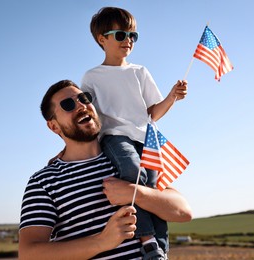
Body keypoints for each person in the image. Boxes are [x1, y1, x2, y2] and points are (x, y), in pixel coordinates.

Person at [19, 80, 193, 260]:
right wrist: (102, 241)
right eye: (68, 105)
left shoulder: (127, 158)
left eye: (84, 98)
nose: (81, 105)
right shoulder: (43, 182)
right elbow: (29, 254)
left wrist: (136, 193)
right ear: (54, 126)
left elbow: (183, 211)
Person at [80, 7, 188, 259]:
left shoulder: (140, 72)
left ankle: (159, 252)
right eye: (120, 34)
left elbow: (153, 112)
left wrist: (172, 97)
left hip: (147, 137)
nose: (128, 40)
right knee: (132, 171)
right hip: (115, 136)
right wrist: (63, 150)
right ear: (101, 39)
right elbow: (86, 116)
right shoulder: (91, 77)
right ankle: (147, 239)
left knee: (153, 191)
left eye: (133, 35)